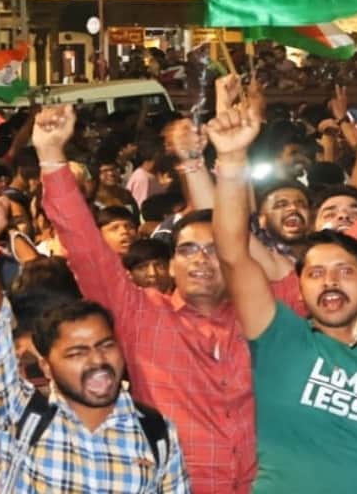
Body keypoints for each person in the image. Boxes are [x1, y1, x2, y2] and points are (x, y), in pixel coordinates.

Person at [30, 99, 303, 494]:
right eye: (187, 250)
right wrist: (52, 156)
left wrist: (228, 159)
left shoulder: (265, 317)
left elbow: (270, 265)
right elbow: (86, 248)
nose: (201, 261)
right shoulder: (141, 315)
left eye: (213, 250)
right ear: (170, 264)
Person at [204, 104, 357, 494]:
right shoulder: (277, 335)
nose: (330, 282)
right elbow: (232, 252)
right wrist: (230, 159)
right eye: (316, 273)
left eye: (345, 271)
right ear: (300, 287)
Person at [0, 193, 187, 493]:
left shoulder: (156, 434)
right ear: (46, 367)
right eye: (76, 352)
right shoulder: (19, 418)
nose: (97, 360)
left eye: (105, 345)